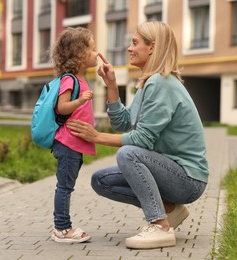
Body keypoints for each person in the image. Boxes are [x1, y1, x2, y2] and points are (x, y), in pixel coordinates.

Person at [67, 21, 209, 249]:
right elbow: (124, 123)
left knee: (129, 154)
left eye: (135, 43)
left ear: (152, 48)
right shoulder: (148, 84)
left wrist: (96, 136)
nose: (129, 48)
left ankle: (160, 226)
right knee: (101, 181)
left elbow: (141, 140)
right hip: (169, 172)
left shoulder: (161, 83)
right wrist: (112, 85)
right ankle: (170, 209)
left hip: (188, 179)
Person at [50, 27, 98, 243]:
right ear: (80, 54)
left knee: (67, 185)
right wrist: (80, 101)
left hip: (73, 144)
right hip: (68, 143)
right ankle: (61, 229)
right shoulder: (70, 80)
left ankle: (62, 227)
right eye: (93, 49)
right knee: (65, 186)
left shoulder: (80, 79)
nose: (97, 54)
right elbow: (62, 107)